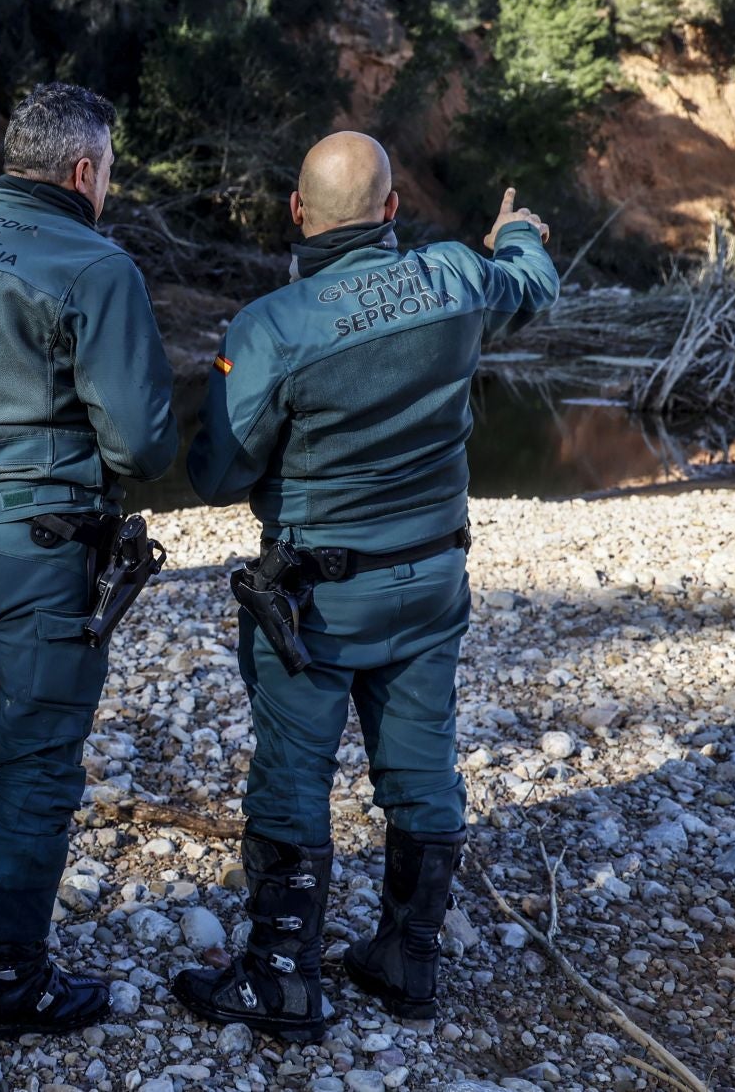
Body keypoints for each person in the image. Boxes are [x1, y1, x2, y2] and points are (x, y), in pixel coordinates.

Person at [170, 131, 559, 1040]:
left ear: (298, 215)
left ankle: (280, 978)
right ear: (391, 210)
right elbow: (530, 286)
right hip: (430, 585)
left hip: (313, 604)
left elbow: (216, 475)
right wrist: (521, 233)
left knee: (293, 776)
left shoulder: (273, 327)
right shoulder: (457, 278)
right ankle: (408, 956)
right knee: (422, 767)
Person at [0, 81, 178, 1038]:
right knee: (39, 762)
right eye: (110, 172)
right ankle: (10, 982)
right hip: (39, 547)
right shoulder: (95, 265)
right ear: (84, 170)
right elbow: (138, 446)